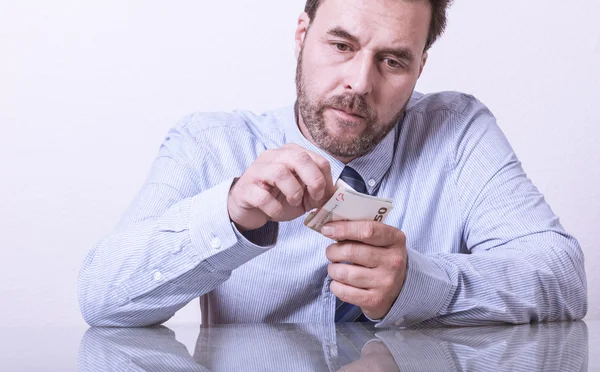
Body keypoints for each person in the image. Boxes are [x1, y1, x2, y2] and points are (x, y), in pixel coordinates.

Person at [78, 0, 587, 328]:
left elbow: (563, 278)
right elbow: (103, 298)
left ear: (420, 68)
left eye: (393, 61)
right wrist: (229, 213)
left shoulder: (458, 134)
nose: (360, 83)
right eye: (341, 45)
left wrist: (419, 283)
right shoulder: (212, 144)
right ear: (302, 33)